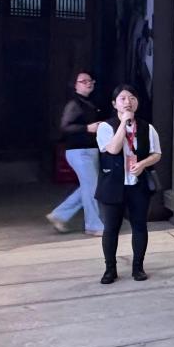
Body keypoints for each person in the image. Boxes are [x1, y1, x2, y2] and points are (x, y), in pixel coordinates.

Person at [94, 85, 161, 284]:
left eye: (132, 98)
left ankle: (138, 267)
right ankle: (110, 269)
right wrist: (123, 123)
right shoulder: (106, 127)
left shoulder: (147, 128)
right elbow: (113, 149)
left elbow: (157, 154)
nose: (128, 102)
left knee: (139, 226)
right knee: (111, 228)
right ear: (114, 104)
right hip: (112, 185)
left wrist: (143, 164)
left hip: (137, 185)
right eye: (122, 98)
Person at [47, 70, 104, 236]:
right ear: (75, 85)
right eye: (83, 81)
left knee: (89, 186)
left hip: (90, 151)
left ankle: (59, 215)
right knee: (92, 188)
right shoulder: (74, 104)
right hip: (79, 151)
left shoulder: (90, 102)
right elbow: (65, 127)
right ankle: (94, 225)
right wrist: (87, 128)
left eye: (90, 80)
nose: (88, 83)